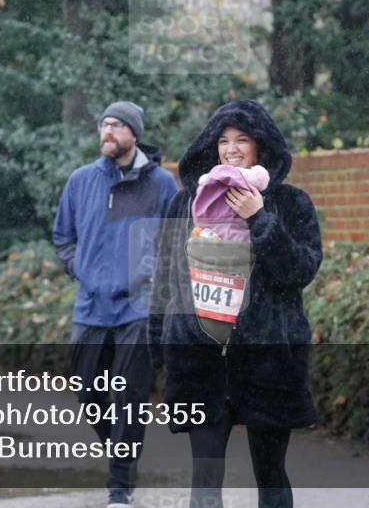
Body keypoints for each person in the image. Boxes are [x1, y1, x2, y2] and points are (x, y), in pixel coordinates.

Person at [149, 99, 322, 508]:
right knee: (205, 481)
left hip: (266, 363)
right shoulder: (184, 203)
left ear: (261, 146)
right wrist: (157, 345)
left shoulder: (291, 204)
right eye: (223, 141)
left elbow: (300, 270)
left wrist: (260, 218)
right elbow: (164, 279)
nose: (231, 149)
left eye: (242, 140)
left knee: (271, 475)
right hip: (200, 362)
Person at [53, 100, 178, 508]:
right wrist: (81, 269)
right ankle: (124, 454)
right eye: (104, 124)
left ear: (134, 134)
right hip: (91, 306)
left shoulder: (161, 184)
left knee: (130, 398)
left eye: (117, 125)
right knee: (88, 393)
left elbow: (175, 242)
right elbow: (63, 237)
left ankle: (119, 488)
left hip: (138, 310)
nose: (107, 131)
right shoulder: (81, 181)